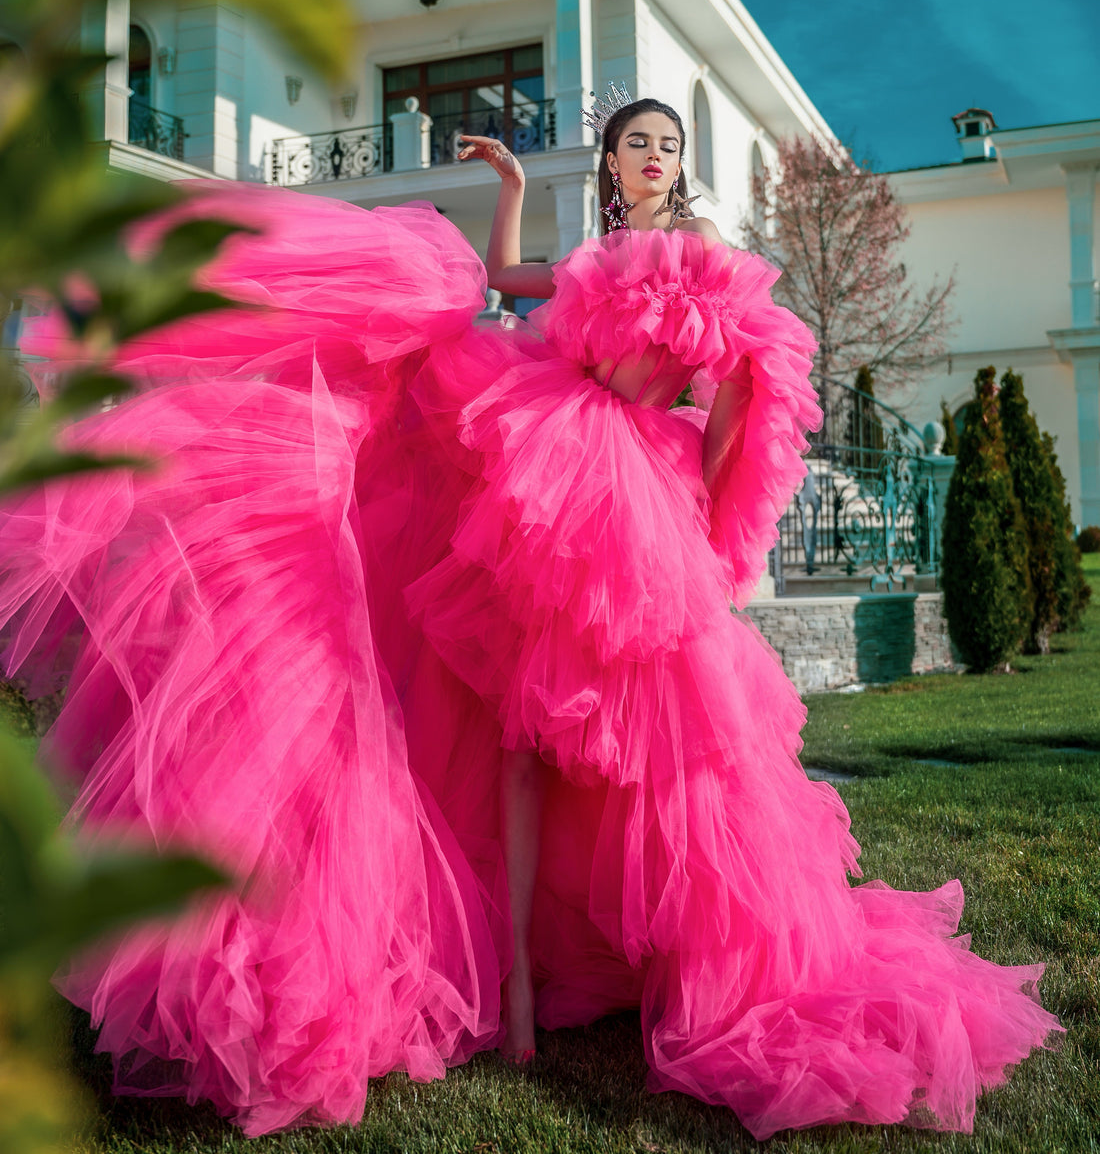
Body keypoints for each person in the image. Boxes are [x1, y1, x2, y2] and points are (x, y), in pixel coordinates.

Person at [0, 92, 1059, 1141]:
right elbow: (509, 281)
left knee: (661, 745)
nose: (654, 155)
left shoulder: (702, 249)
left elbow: (747, 376)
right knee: (516, 734)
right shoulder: (596, 254)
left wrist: (704, 497)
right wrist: (509, 187)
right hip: (548, 472)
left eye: (667, 143)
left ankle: (689, 959)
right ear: (611, 164)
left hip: (633, 495)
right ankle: (512, 987)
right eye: (637, 143)